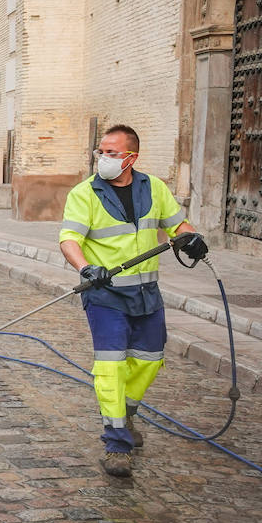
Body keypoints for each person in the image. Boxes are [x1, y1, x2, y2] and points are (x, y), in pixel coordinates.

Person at [58, 124, 208, 478]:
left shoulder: (153, 188)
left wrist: (192, 239)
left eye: (112, 153)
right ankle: (116, 443)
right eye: (101, 152)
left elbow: (179, 225)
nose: (104, 159)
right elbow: (69, 239)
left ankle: (125, 414)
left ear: (131, 158)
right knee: (110, 367)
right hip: (105, 295)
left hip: (147, 295)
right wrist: (86, 268)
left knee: (150, 360)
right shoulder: (85, 193)